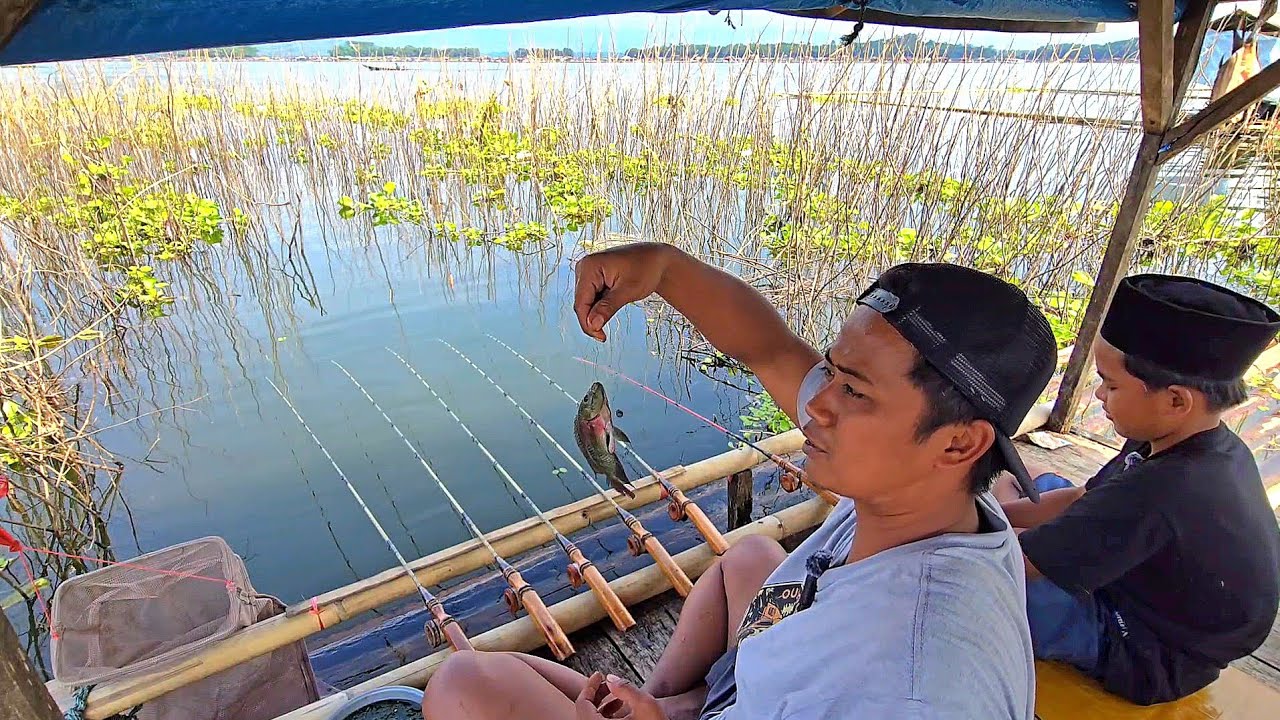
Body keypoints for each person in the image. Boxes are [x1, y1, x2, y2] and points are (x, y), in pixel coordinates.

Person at [421, 243, 1059, 720]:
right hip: (761, 684)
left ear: (959, 441)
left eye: (853, 390)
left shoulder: (912, 686)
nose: (816, 403)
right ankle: (666, 698)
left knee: (463, 686)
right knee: (750, 557)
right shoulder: (929, 497)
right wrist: (664, 269)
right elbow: (773, 350)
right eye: (832, 373)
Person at [999, 273, 1280, 705]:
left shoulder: (1169, 490)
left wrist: (956, 518)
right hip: (1148, 579)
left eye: (1111, 384)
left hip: (1147, 647)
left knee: (971, 591)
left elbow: (1015, 565)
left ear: (1175, 400)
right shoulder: (1185, 439)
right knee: (1041, 487)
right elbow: (1083, 499)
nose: (1097, 394)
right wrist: (995, 509)